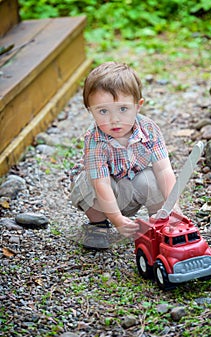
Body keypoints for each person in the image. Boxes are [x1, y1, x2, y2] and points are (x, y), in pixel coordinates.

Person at [70, 61, 181, 249]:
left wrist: (174, 206)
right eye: (103, 111)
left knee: (154, 177)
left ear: (138, 106)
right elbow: (101, 183)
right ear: (90, 110)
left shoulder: (149, 130)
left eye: (123, 109)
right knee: (90, 183)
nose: (114, 119)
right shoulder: (95, 139)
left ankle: (162, 220)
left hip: (130, 182)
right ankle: (98, 225)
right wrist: (117, 219)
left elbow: (164, 170)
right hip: (102, 188)